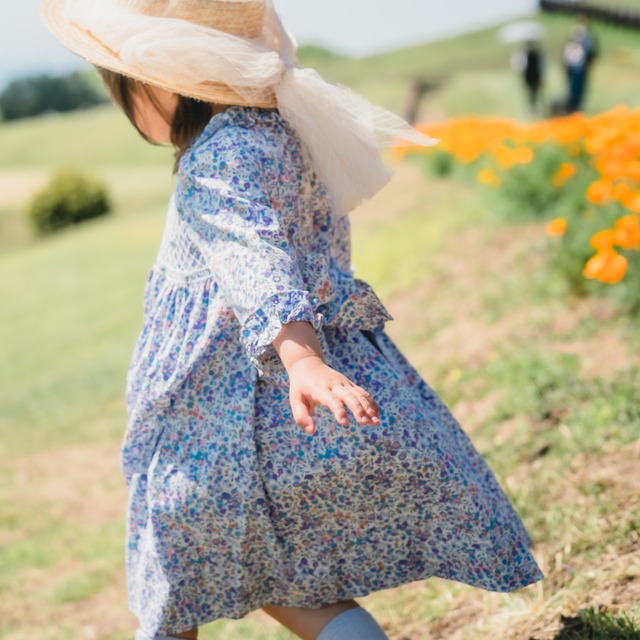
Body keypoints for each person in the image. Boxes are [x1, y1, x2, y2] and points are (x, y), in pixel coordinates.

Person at [40, 1, 544, 639]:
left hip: (216, 428)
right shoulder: (283, 136)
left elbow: (258, 263)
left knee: (172, 570)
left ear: (162, 81)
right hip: (297, 426)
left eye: (124, 88)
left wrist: (301, 357)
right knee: (281, 579)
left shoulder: (213, 163)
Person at [562, 13, 599, 113]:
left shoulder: (587, 37)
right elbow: (568, 52)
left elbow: (592, 52)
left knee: (580, 89)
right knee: (574, 88)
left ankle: (575, 108)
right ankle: (572, 108)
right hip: (574, 66)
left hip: (581, 66)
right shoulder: (575, 35)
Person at [512, 40, 545, 115]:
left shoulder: (537, 54)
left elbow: (540, 66)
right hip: (529, 76)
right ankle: (531, 106)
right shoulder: (525, 55)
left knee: (535, 92)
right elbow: (521, 66)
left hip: (536, 76)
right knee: (530, 92)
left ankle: (535, 106)